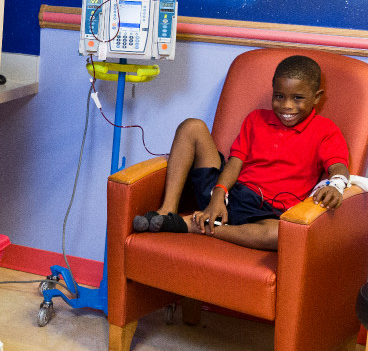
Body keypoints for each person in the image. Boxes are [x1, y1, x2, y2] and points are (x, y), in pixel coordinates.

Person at [131, 55, 350, 251]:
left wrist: (337, 185)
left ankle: (194, 226)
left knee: (279, 235)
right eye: (279, 96)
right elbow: (235, 162)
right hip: (228, 194)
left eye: (298, 98)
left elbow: (338, 166)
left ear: (317, 97)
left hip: (266, 213)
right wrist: (218, 196)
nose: (286, 106)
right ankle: (167, 211)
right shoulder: (255, 119)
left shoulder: (326, 130)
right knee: (192, 126)